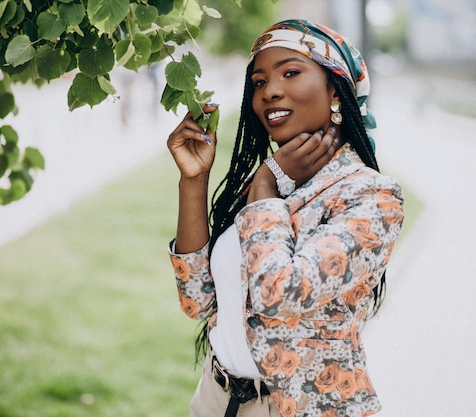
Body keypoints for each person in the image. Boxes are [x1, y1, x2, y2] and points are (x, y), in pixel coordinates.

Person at [166, 19, 404, 417]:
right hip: (215, 397)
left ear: (334, 89)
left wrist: (264, 187)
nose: (269, 91)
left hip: (296, 407)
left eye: (290, 72)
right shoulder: (273, 183)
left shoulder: (371, 197)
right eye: (258, 82)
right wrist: (193, 181)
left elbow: (281, 295)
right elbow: (198, 301)